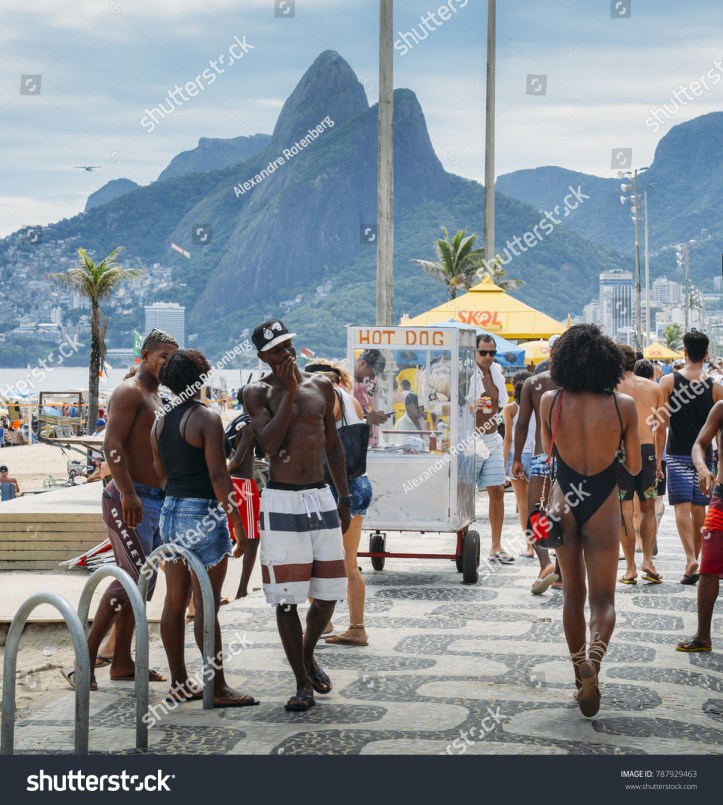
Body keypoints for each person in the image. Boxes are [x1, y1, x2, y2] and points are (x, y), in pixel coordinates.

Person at [62, 329, 178, 691]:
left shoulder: (158, 396)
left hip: (154, 500)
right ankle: (84, 663)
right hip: (130, 499)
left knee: (142, 585)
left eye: (173, 359)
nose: (167, 364)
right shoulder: (129, 393)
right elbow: (112, 444)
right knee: (127, 582)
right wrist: (128, 493)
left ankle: (123, 663)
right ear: (144, 355)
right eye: (162, 357)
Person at [243, 320, 350, 712]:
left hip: (320, 497)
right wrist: (288, 393)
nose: (285, 353)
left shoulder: (322, 386)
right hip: (282, 498)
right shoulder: (255, 392)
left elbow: (333, 444)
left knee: (327, 595)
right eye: (276, 350)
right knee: (286, 600)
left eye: (287, 344)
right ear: (262, 357)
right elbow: (269, 445)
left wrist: (345, 496)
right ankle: (301, 682)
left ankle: (306, 655)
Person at [540, 325, 640, 717]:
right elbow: (633, 465)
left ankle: (576, 669)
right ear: (607, 363)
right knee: (603, 599)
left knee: (572, 595)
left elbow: (549, 454)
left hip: (564, 499)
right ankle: (594, 663)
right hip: (602, 499)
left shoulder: (551, 400)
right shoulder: (623, 405)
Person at [151, 349, 257, 707]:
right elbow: (218, 475)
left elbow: (160, 470)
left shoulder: (160, 421)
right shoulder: (206, 418)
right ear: (200, 379)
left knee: (175, 601)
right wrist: (238, 524)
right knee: (206, 604)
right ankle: (219, 687)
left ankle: (179, 682)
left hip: (170, 510)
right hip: (203, 513)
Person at [305, 360, 373, 647]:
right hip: (360, 482)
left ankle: (326, 622)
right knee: (349, 562)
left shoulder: (328, 398)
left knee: (312, 561)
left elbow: (321, 442)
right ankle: (355, 626)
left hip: (337, 487)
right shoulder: (351, 400)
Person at [658, 331, 723, 584]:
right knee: (700, 508)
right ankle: (695, 557)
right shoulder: (716, 386)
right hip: (704, 456)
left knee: (681, 508)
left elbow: (661, 425)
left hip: (675, 453)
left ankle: (689, 559)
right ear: (706, 355)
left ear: (684, 352)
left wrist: (656, 458)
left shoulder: (668, 382)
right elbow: (719, 431)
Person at [514, 340, 562, 592]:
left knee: (535, 512)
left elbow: (521, 424)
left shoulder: (534, 384)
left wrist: (516, 458)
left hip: (543, 457)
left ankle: (545, 564)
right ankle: (560, 570)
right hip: (570, 459)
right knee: (567, 514)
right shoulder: (579, 382)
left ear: (550, 353)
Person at [615, 344, 665, 584]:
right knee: (648, 507)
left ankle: (631, 568)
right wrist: (657, 459)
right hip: (647, 451)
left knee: (625, 508)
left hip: (620, 452)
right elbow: (661, 428)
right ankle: (648, 560)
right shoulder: (653, 387)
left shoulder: (610, 388)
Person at [467, 334, 514, 563]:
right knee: (465, 494)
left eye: (492, 353)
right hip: (471, 439)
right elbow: (451, 405)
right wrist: (468, 406)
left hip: (493, 436)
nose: (488, 357)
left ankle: (496, 545)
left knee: (497, 491)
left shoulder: (496, 372)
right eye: (483, 352)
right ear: (474, 352)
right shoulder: (466, 374)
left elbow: (501, 403)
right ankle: (464, 542)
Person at [680, 404, 723, 651]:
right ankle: (702, 636)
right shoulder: (720, 408)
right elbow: (699, 444)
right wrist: (702, 468)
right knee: (708, 567)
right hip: (721, 497)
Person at [226, 388, 261, 600]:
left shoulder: (238, 421)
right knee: (252, 537)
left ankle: (209, 588)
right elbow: (238, 460)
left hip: (233, 484)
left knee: (230, 534)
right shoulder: (250, 425)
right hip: (244, 486)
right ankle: (241, 590)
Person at [502, 371, 535, 559]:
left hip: (517, 455)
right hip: (537, 455)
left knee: (522, 504)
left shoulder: (510, 409)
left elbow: (507, 439)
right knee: (538, 504)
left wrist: (502, 465)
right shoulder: (539, 405)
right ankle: (542, 545)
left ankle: (529, 547)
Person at [354, 349, 390, 444]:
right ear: (362, 364)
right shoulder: (349, 387)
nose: (373, 378)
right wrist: (370, 418)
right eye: (372, 373)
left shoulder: (361, 386)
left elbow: (362, 413)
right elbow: (350, 421)